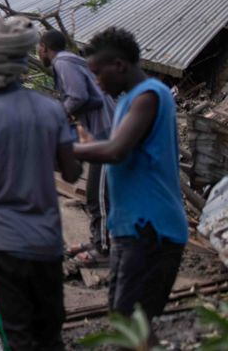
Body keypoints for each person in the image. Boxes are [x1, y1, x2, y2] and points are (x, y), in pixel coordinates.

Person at [0, 13, 81, 351]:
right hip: (48, 245)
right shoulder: (52, 110)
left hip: (2, 245)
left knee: (17, 339)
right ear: (22, 61)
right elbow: (71, 174)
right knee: (50, 337)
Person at [75, 26, 187, 321]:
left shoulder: (149, 96)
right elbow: (121, 146)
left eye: (98, 74)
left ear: (119, 65)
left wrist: (64, 149)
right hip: (131, 229)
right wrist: (90, 145)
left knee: (132, 324)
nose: (96, 84)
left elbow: (116, 151)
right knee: (124, 320)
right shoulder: (128, 99)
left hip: (152, 229)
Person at [39, 29, 114, 261]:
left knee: (98, 195)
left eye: (38, 48)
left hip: (107, 134)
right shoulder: (73, 61)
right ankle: (99, 240)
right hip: (104, 130)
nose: (38, 52)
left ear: (44, 47)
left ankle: (102, 250)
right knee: (100, 193)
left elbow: (78, 96)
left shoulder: (62, 62)